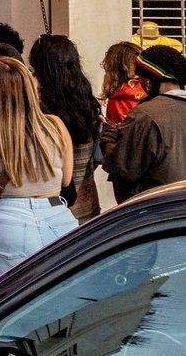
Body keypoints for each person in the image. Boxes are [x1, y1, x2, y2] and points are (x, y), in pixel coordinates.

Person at [0, 56, 76, 277]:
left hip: (8, 222)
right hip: (58, 218)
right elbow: (66, 179)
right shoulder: (55, 125)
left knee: (10, 303)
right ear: (30, 88)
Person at [29, 34, 105, 220]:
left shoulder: (36, 109)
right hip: (86, 207)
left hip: (47, 210)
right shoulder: (89, 104)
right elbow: (96, 157)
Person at [108, 43, 186, 204]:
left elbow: (125, 170)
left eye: (140, 78)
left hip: (157, 212)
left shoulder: (144, 115)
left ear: (150, 80)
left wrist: (109, 143)